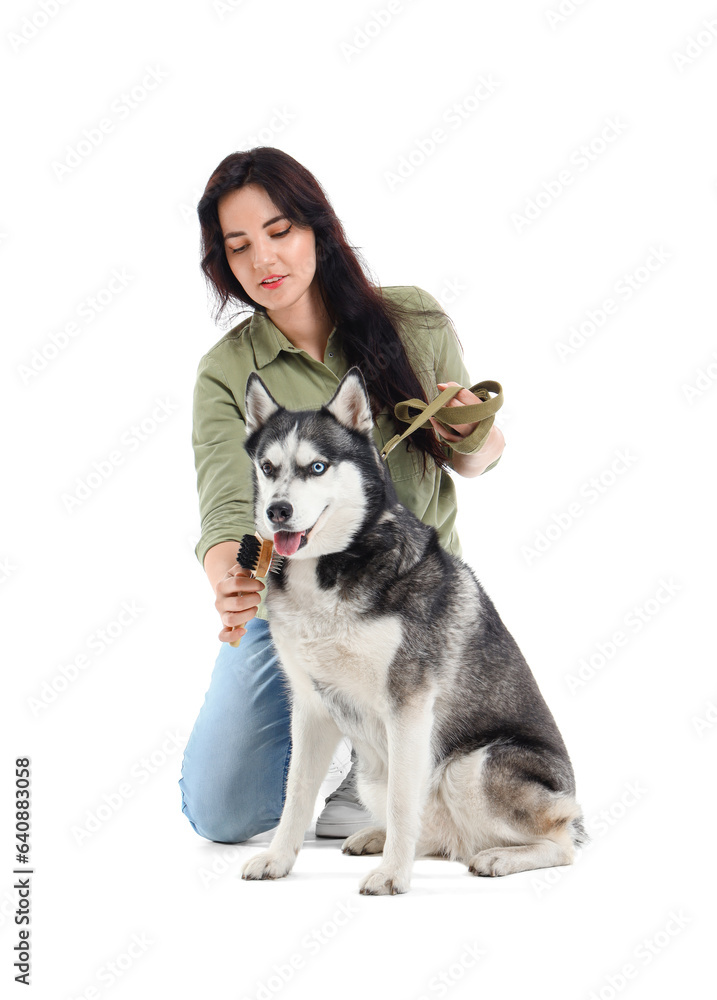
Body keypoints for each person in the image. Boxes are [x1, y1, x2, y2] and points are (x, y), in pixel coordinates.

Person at [178, 147, 506, 845]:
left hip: (408, 599)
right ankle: (345, 743)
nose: (263, 259)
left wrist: (468, 431)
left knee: (449, 782)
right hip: (295, 597)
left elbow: (475, 457)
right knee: (223, 811)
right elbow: (226, 506)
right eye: (237, 247)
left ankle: (377, 762)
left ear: (316, 230)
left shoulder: (413, 320)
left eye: (279, 231)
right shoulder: (226, 371)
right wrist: (232, 576)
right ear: (222, 265)